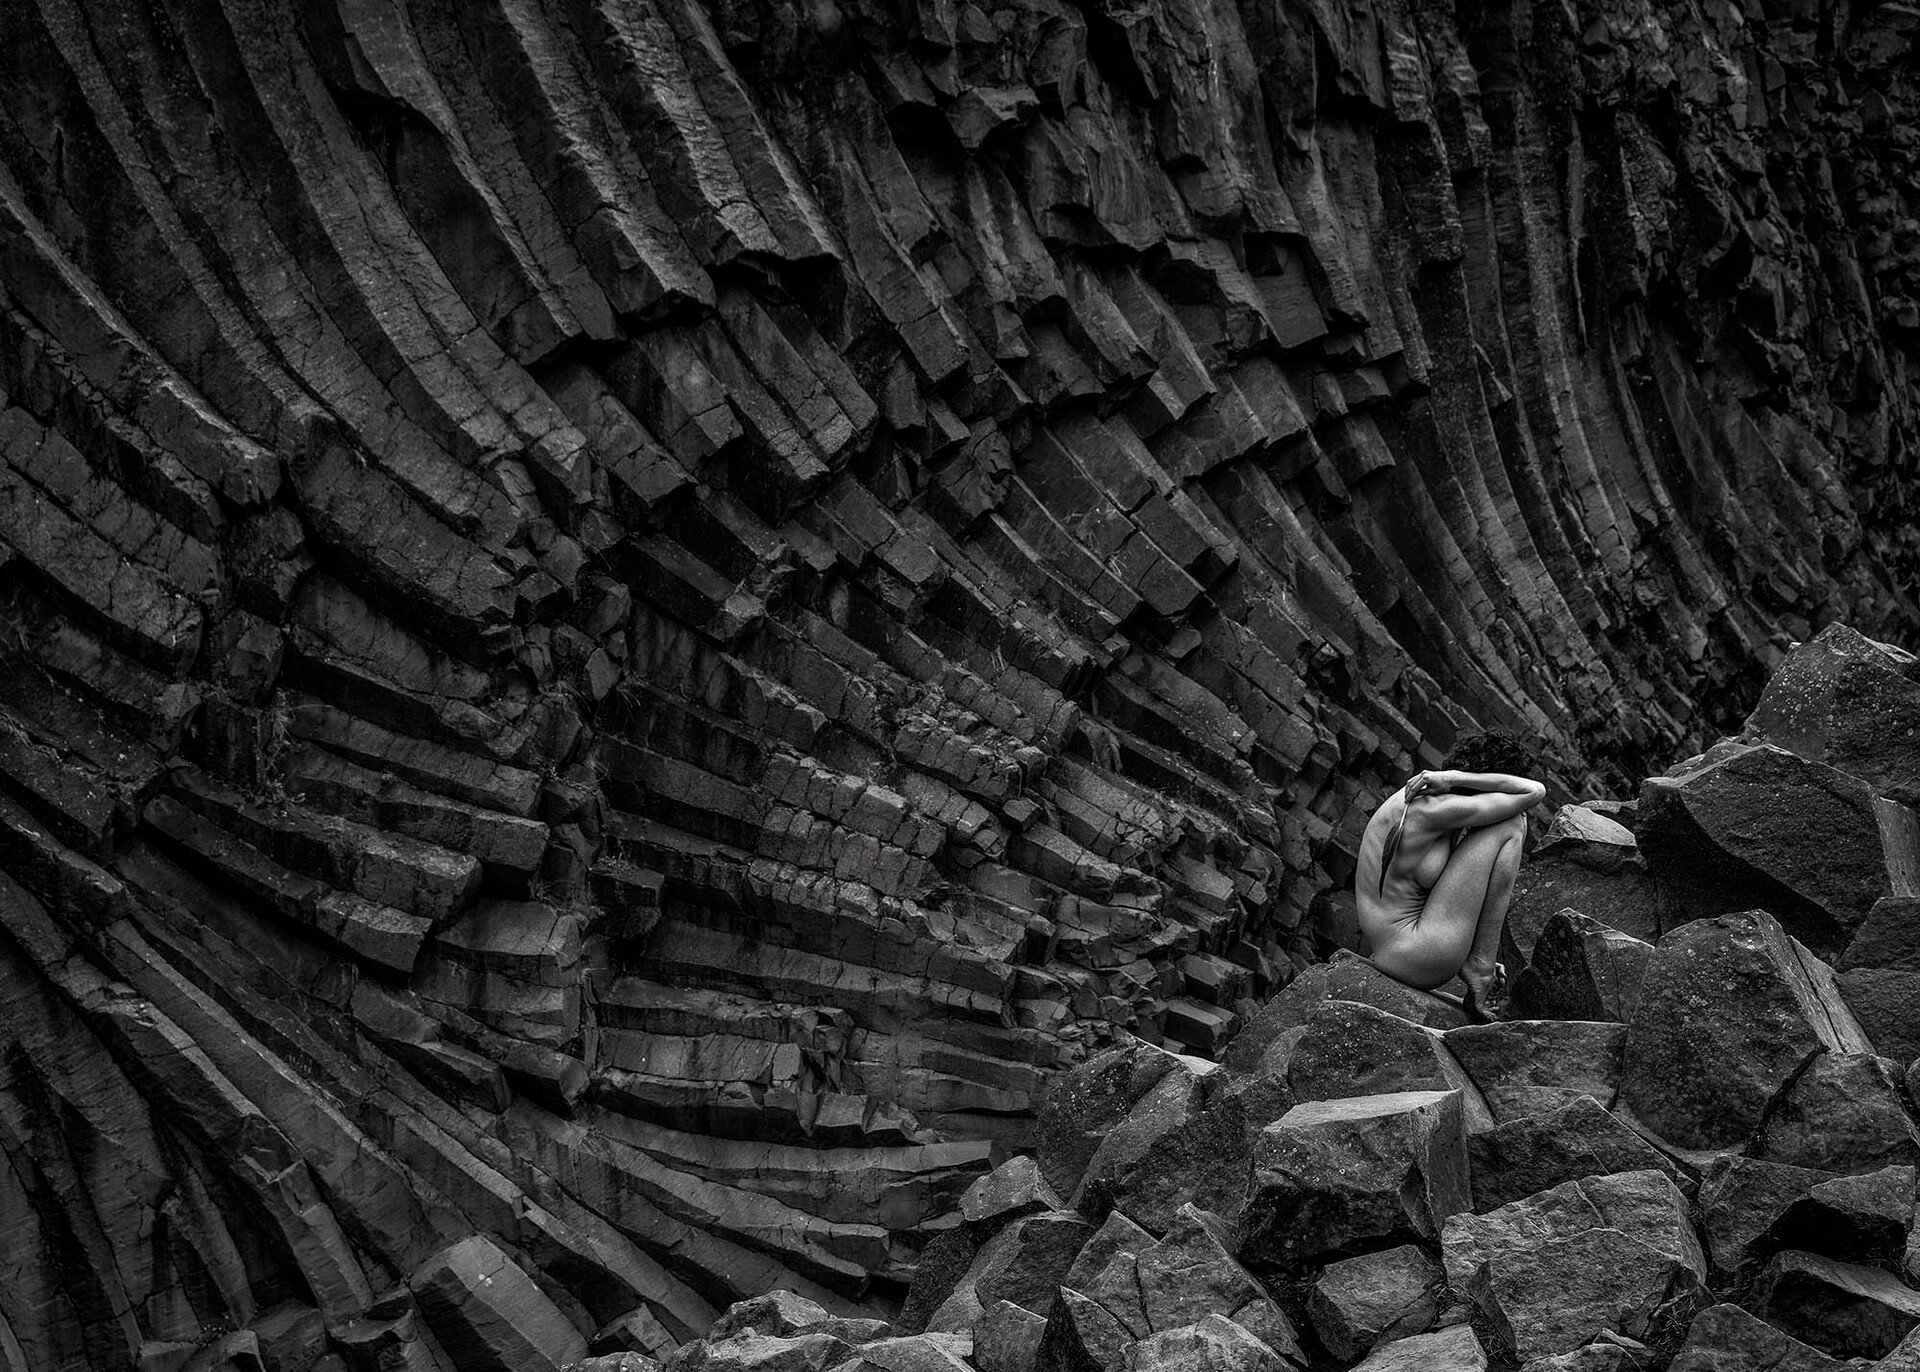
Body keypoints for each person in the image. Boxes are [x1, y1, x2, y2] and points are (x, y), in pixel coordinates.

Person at [1354, 728, 1548, 1021]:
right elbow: (1533, 792)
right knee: (1512, 823)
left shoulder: (1416, 799)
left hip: (1392, 948)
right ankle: (1480, 968)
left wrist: (1450, 777)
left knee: (1510, 818)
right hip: (1416, 955)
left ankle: (1477, 961)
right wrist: (1455, 778)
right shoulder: (1439, 809)